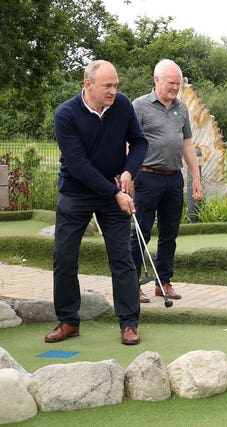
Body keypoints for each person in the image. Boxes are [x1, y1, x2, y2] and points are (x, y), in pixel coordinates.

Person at [47, 60, 148, 345]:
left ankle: (129, 323)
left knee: (122, 257)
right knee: (64, 256)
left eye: (116, 85)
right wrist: (116, 192)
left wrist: (129, 171)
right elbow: (78, 165)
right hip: (77, 191)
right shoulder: (65, 114)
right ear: (88, 84)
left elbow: (139, 142)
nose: (113, 91)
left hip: (114, 186)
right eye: (107, 86)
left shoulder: (123, 106)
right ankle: (68, 321)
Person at [131, 59, 203, 303]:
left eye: (178, 84)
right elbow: (127, 143)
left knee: (169, 234)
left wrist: (196, 179)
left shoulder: (181, 108)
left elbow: (187, 144)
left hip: (173, 179)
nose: (175, 88)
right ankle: (132, 284)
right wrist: (126, 174)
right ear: (157, 80)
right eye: (171, 83)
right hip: (145, 177)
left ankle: (164, 282)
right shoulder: (139, 106)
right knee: (140, 233)